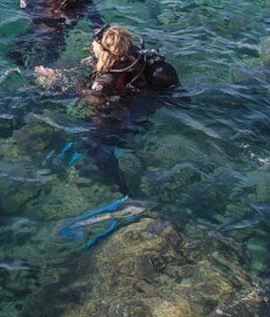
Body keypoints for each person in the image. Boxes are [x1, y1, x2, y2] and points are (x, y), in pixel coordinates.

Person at [35, 24, 180, 196]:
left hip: (121, 120)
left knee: (92, 146)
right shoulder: (139, 59)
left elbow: (92, 97)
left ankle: (124, 193)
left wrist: (56, 81)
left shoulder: (106, 80)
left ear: (104, 50)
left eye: (94, 44)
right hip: (149, 105)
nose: (91, 47)